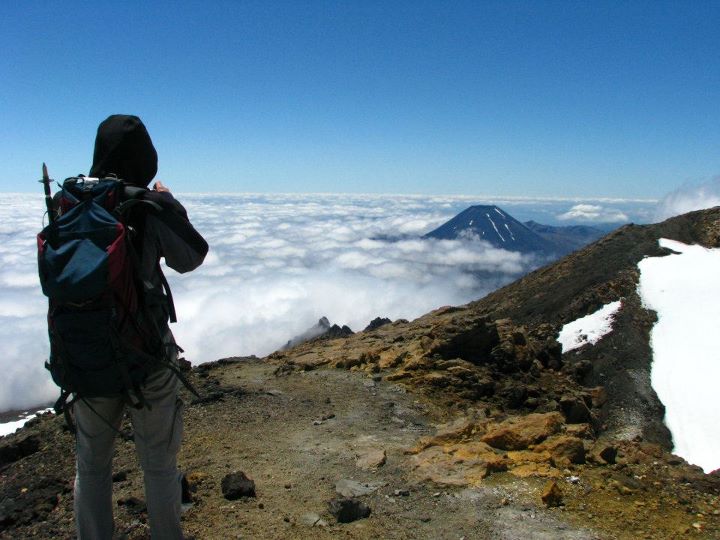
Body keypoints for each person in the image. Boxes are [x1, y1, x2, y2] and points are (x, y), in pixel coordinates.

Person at [72, 115, 208, 539]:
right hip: (145, 359)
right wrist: (171, 205)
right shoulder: (145, 205)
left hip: (85, 358)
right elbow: (190, 258)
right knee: (159, 465)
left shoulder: (71, 204)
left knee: (91, 466)